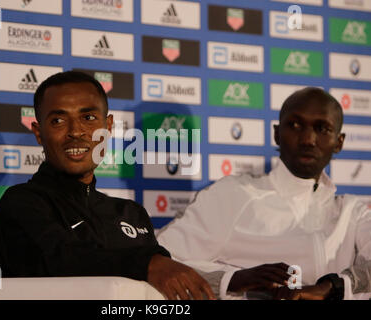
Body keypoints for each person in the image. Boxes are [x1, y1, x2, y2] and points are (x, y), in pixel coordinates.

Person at [0, 71, 215, 300]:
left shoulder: (132, 213)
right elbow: (61, 262)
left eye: (88, 118)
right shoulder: (21, 204)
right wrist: (147, 263)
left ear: (107, 127)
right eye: (58, 120)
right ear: (39, 133)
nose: (76, 132)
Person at [157, 87, 371, 300]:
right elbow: (161, 258)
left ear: (339, 142)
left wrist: (331, 287)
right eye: (295, 125)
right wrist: (232, 280)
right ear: (277, 134)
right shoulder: (232, 194)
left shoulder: (352, 212)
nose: (308, 139)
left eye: (322, 128)